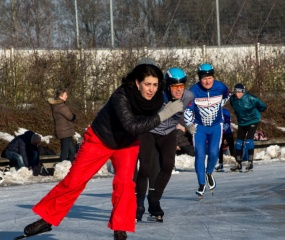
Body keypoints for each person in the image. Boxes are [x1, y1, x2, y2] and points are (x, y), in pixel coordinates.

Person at [22, 63, 183, 240]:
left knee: (125, 184)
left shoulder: (157, 99)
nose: (151, 89)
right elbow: (132, 126)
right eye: (147, 84)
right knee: (75, 180)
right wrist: (163, 115)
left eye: (155, 84)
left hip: (126, 144)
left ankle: (120, 228)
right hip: (100, 140)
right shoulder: (121, 96)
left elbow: (176, 100)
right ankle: (47, 219)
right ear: (137, 83)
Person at [135, 67, 194, 222]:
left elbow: (191, 111)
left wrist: (190, 124)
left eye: (181, 86)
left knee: (168, 164)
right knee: (146, 166)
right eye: (175, 87)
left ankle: (154, 201)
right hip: (149, 131)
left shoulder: (188, 96)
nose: (179, 90)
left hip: (168, 132)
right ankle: (139, 203)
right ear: (168, 86)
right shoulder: (157, 96)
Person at [184, 63, 230, 197]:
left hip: (216, 126)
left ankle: (209, 172)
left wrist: (218, 107)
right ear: (199, 78)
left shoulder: (221, 87)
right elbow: (188, 109)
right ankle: (201, 183)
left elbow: (227, 96)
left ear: (213, 77)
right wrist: (188, 124)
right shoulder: (193, 91)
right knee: (200, 154)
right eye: (204, 78)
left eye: (210, 78)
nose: (207, 81)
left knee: (214, 153)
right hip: (200, 128)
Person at [229, 83, 267, 172]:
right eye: (236, 92)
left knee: (249, 141)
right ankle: (238, 163)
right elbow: (234, 106)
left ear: (243, 92)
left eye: (239, 92)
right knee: (238, 144)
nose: (237, 94)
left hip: (253, 121)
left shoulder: (251, 98)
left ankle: (250, 163)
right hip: (242, 123)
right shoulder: (232, 99)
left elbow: (263, 106)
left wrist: (256, 111)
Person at [48, 88, 76, 162]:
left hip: (65, 131)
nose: (67, 96)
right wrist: (74, 116)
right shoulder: (61, 106)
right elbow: (70, 116)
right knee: (65, 151)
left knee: (72, 150)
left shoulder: (57, 105)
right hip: (64, 131)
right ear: (61, 96)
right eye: (65, 95)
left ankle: (68, 166)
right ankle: (62, 166)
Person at [215, 107, 235, 172]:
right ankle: (220, 163)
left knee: (231, 146)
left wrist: (223, 129)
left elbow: (228, 122)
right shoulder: (216, 111)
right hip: (221, 131)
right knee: (220, 147)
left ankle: (236, 161)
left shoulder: (225, 111)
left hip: (227, 131)